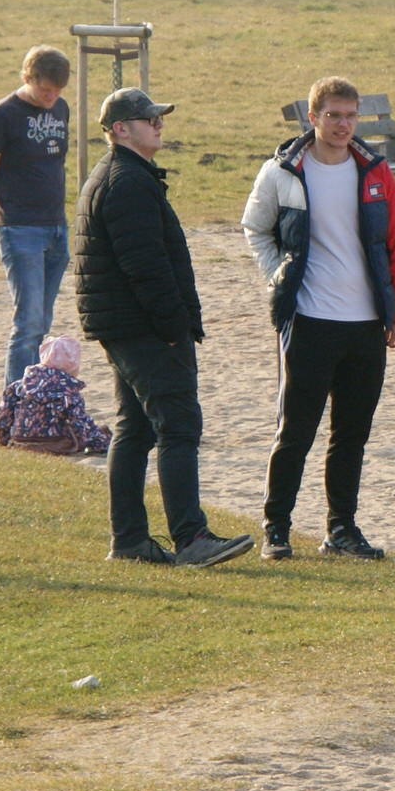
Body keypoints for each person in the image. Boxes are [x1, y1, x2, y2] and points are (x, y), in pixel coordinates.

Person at [74, 87, 253, 568]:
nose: (159, 124)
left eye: (158, 117)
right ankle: (190, 537)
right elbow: (146, 268)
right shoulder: (126, 181)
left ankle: (130, 540)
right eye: (149, 118)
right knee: (177, 424)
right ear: (120, 129)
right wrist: (175, 326)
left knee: (134, 429)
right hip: (143, 327)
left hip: (126, 325)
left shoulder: (123, 176)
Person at [241, 77, 395, 561]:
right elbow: (254, 228)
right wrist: (278, 276)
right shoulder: (282, 172)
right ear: (313, 118)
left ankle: (341, 529)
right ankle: (275, 529)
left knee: (351, 434)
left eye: (350, 116)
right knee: (295, 430)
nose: (342, 125)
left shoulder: (376, 173)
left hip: (366, 325)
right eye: (333, 115)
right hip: (309, 321)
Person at [0, 45, 73, 387]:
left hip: (56, 226)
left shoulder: (61, 108)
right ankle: (15, 403)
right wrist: (17, 205)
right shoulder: (1, 116)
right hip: (20, 228)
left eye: (58, 90)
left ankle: (34, 394)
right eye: (45, 89)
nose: (51, 96)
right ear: (27, 78)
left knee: (42, 321)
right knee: (28, 323)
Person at [0, 334, 110, 458]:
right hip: (56, 444)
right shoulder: (68, 392)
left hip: (20, 443)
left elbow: (3, 419)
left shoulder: (18, 387)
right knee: (103, 432)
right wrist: (100, 443)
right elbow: (80, 424)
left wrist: (4, 440)